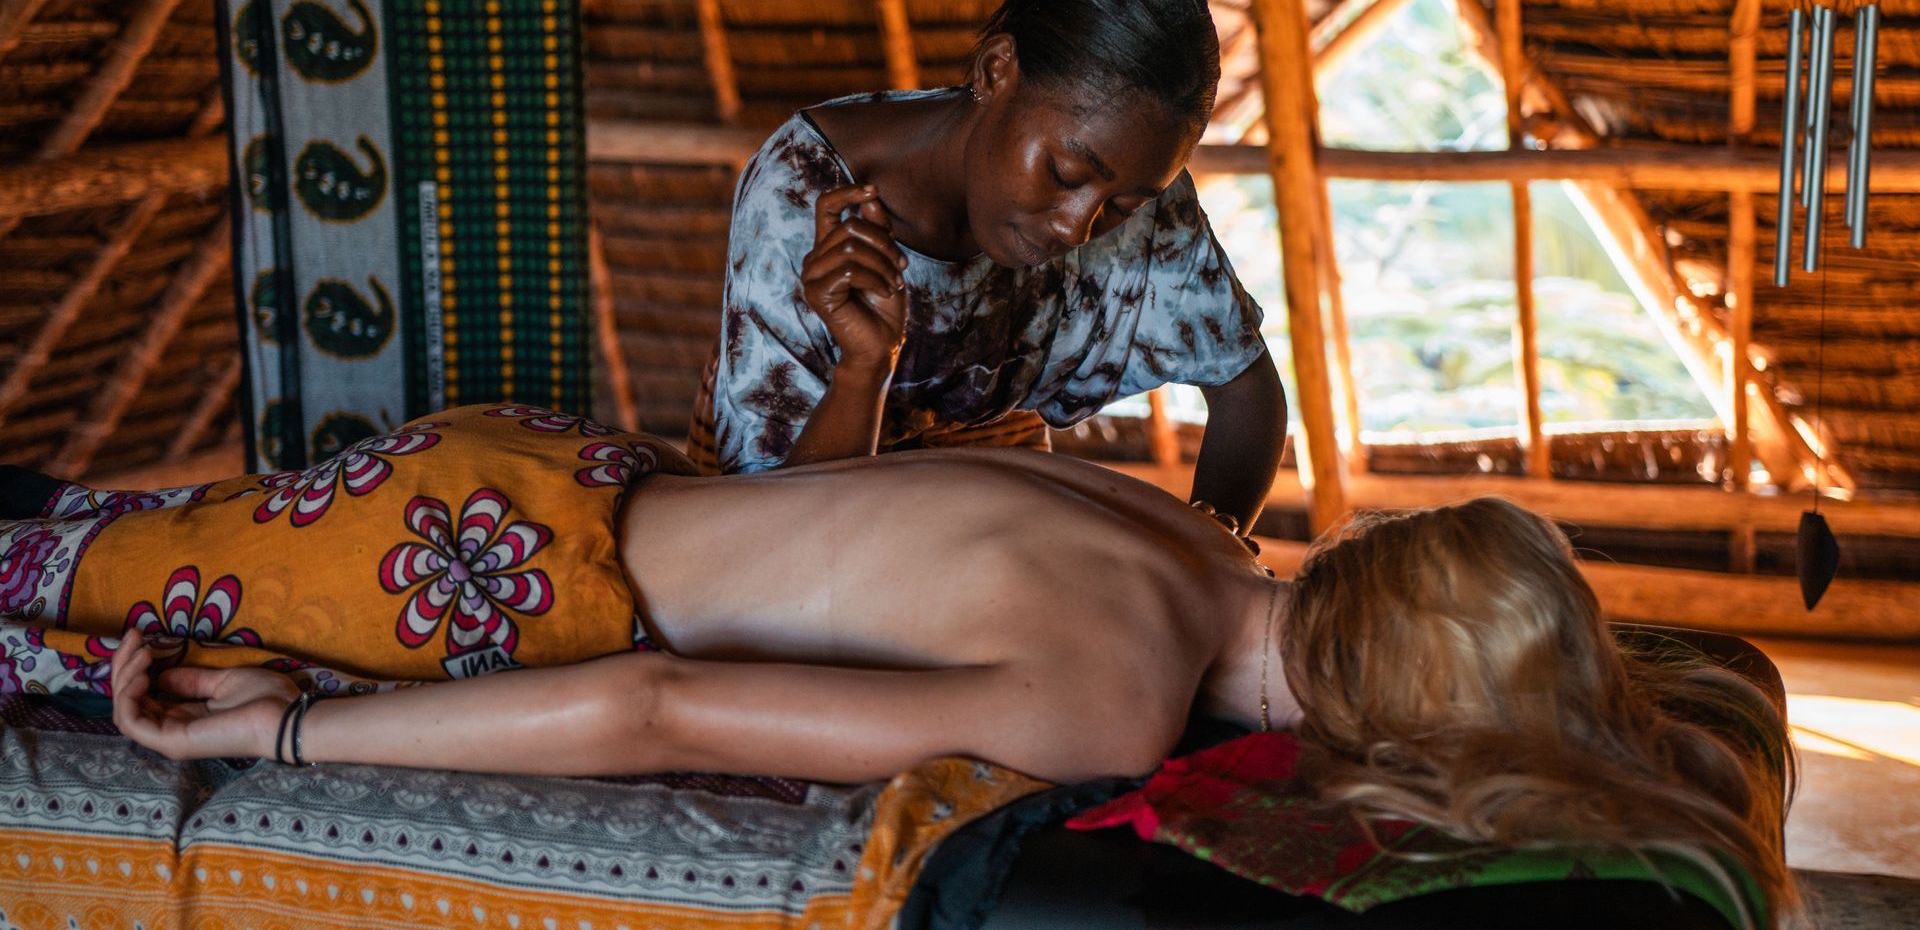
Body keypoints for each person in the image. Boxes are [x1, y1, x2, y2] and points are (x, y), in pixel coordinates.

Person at [6, 408, 1786, 922]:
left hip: (553, 477)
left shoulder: (1192, 541)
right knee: (47, 602)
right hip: (498, 581)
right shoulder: (1109, 693)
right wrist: (309, 735)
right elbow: (656, 707)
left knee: (69, 545)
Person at [691, 0, 1286, 532]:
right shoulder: (804, 194)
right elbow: (778, 536)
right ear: (995, 72)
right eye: (1064, 175)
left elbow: (1246, 387)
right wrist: (866, 365)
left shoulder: (1134, 183)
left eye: (1122, 205)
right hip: (798, 493)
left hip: (988, 499)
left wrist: (1216, 542)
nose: (1075, 228)